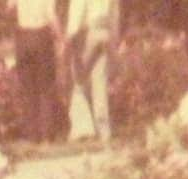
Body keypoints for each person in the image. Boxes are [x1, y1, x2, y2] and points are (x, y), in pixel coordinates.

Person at [7, 0, 64, 142]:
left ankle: (32, 133)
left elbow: (9, 7)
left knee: (28, 87)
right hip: (41, 35)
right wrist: (60, 37)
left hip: (23, 36)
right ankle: (46, 133)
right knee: (46, 86)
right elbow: (51, 16)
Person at [66, 0, 120, 142]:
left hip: (88, 33)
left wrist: (69, 39)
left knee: (78, 80)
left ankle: (82, 129)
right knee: (99, 81)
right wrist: (114, 39)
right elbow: (115, 12)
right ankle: (104, 129)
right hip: (104, 32)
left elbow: (77, 16)